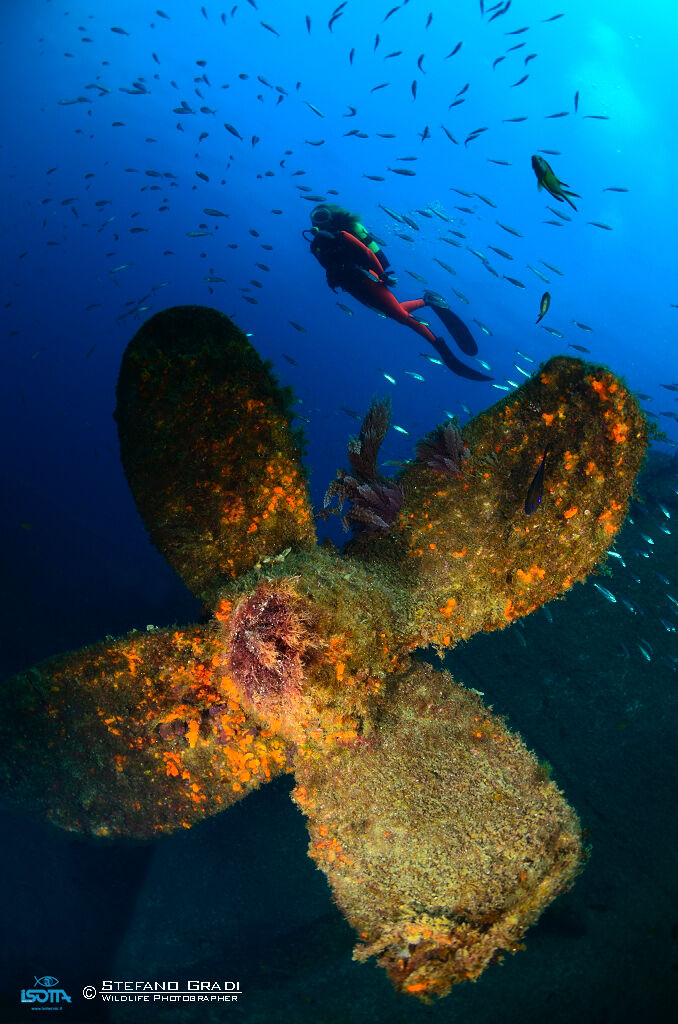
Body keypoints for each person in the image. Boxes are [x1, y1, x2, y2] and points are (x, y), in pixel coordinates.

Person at [305, 204, 492, 382]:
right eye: (316, 219)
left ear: (331, 219)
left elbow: (368, 254)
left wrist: (382, 275)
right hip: (353, 288)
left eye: (323, 216)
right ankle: (427, 301)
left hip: (369, 279)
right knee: (389, 313)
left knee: (401, 317)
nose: (320, 222)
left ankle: (439, 346)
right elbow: (328, 268)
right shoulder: (316, 247)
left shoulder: (343, 235)